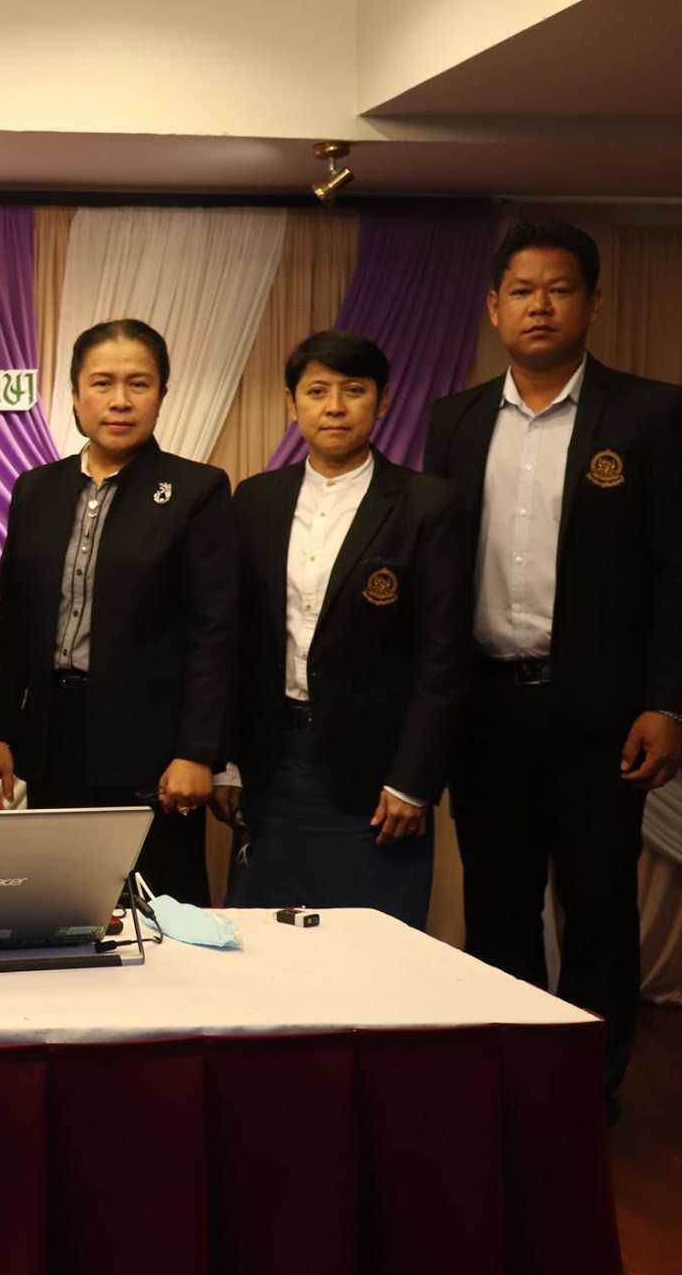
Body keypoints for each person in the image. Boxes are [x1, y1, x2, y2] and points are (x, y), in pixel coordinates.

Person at [426, 220, 682, 1107]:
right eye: (522, 291)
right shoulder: (454, 419)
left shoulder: (650, 415)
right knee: (498, 907)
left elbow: (675, 571)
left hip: (600, 716)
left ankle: (585, 1092)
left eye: (560, 289)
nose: (540, 306)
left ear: (593, 304)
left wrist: (668, 703)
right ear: (493, 306)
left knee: (598, 907)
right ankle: (512, 1080)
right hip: (484, 711)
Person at [213, 331, 468, 928]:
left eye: (353, 391)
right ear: (291, 402)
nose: (334, 407)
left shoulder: (426, 504)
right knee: (268, 943)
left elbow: (443, 656)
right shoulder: (255, 500)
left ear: (382, 402)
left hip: (378, 777)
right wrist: (226, 762)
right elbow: (235, 642)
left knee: (373, 945)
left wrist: (413, 781)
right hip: (272, 763)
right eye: (317, 391)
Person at [0, 319, 236, 906]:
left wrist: (197, 752)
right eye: (102, 383)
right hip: (53, 740)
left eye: (138, 384)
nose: (120, 400)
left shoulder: (196, 491)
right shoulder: (36, 489)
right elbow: (14, 624)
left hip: (152, 754)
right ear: (75, 395)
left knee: (160, 917)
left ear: (162, 395)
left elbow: (215, 633)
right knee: (56, 907)